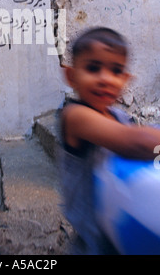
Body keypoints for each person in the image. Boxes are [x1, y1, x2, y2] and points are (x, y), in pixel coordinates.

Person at [58, 26, 160, 255]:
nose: (105, 79)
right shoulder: (75, 117)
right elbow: (139, 143)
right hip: (95, 242)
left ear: (125, 80)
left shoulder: (120, 117)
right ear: (71, 76)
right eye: (93, 68)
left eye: (116, 71)